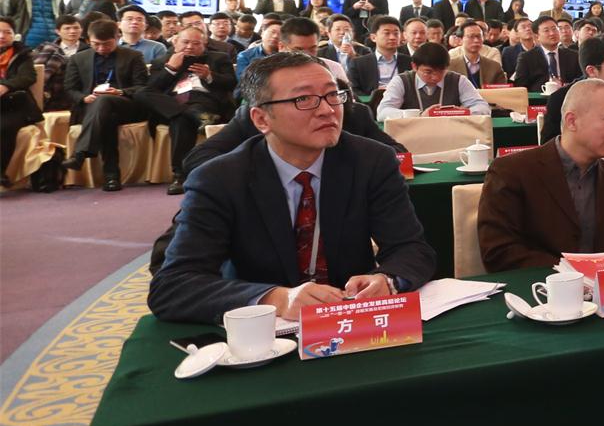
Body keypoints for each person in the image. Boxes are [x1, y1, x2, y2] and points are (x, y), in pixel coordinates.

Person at [148, 52, 435, 324]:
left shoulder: (372, 161)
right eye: (303, 99)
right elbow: (172, 285)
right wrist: (274, 298)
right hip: (262, 334)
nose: (327, 110)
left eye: (332, 95)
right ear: (261, 119)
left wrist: (387, 279)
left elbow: (411, 248)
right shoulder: (220, 179)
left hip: (350, 322)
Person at [476, 78, 604, 272]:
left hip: (601, 288)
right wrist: (571, 272)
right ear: (572, 121)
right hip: (537, 285)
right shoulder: (512, 172)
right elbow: (498, 252)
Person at [138, 24, 238, 194]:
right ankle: (197, 116)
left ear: (204, 44)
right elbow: (153, 88)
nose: (190, 47)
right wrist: (170, 69)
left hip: (206, 100)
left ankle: (179, 176)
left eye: (196, 43)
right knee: (143, 94)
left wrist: (209, 75)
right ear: (175, 42)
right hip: (173, 103)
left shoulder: (219, 58)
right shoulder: (162, 61)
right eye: (185, 42)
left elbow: (231, 84)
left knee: (180, 119)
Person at [60, 19, 153, 191]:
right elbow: (70, 89)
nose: (102, 48)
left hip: (126, 105)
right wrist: (84, 98)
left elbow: (142, 87)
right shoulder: (78, 59)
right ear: (88, 40)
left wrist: (119, 92)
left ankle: (81, 153)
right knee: (106, 117)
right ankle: (111, 177)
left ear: (117, 38)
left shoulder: (133, 56)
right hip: (91, 106)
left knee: (104, 101)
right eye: (96, 44)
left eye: (107, 44)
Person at [377, 42, 492, 119]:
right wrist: (419, 116)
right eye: (428, 72)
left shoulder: (458, 80)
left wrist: (463, 113)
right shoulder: (401, 81)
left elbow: (483, 107)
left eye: (441, 71)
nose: (435, 77)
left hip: (450, 135)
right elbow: (383, 112)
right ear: (414, 66)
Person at [0, 16, 44, 180]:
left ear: (14, 35)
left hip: (15, 105)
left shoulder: (22, 54)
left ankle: (1, 171)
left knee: (4, 127)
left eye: (7, 32)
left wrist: (6, 86)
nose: (2, 36)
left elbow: (27, 77)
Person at [511, 16, 581, 88]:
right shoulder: (527, 58)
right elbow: (520, 85)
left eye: (554, 29)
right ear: (537, 36)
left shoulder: (573, 56)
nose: (552, 33)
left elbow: (580, 81)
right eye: (546, 30)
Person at [447, 21, 504, 89]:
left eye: (479, 36)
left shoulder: (494, 67)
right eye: (471, 36)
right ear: (460, 39)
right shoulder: (450, 66)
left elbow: (502, 92)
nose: (476, 40)